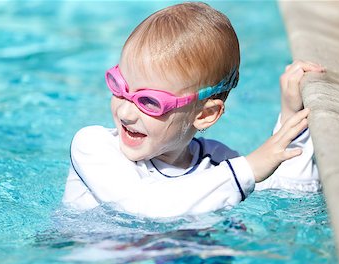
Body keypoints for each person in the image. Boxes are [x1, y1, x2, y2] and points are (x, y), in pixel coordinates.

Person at [62, 2, 324, 218]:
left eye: (149, 102)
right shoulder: (93, 146)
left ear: (205, 115)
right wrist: (249, 169)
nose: (126, 113)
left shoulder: (216, 163)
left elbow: (296, 194)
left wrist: (292, 116)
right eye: (119, 87)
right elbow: (141, 207)